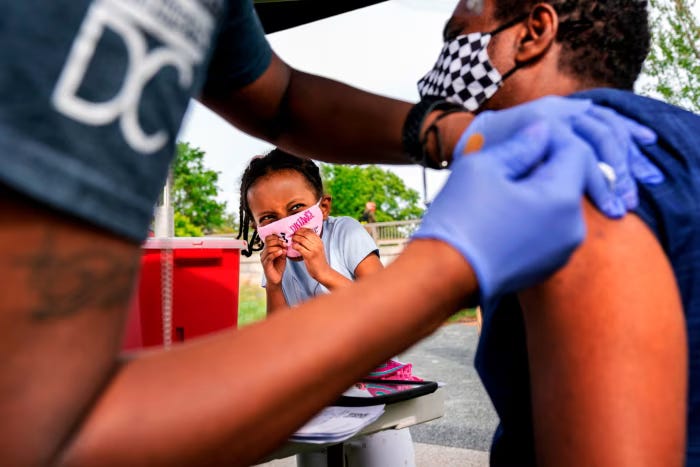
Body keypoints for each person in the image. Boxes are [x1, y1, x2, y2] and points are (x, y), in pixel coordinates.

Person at [0, 0, 662, 465]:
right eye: (266, 218)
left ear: (535, 32)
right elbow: (40, 432)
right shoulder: (581, 178)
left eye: (470, 1)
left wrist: (442, 146)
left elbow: (282, 97)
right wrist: (444, 258)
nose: (449, 20)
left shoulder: (580, 189)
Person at [416, 0, 700, 464]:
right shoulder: (682, 139)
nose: (443, 66)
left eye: (456, 40)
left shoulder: (557, 173)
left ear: (533, 33)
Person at [239, 148, 418, 465]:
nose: (286, 225)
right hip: (319, 393)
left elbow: (387, 309)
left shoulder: (346, 232)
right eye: (268, 219)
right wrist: (275, 284)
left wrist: (324, 272)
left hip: (376, 385)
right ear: (256, 227)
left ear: (323, 207)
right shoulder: (275, 261)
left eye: (296, 209)